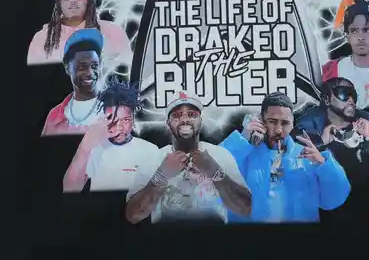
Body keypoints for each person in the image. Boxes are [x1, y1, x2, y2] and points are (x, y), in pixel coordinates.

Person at [220, 92, 351, 223]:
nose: (278, 129)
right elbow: (213, 176)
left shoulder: (308, 157)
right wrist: (242, 139)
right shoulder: (244, 155)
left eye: (285, 123)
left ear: (292, 123)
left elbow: (335, 198)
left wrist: (323, 164)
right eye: (272, 122)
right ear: (260, 121)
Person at [125, 91, 251, 223]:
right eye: (177, 115)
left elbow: (245, 208)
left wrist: (216, 173)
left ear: (201, 121)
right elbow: (133, 216)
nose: (185, 120)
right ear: (168, 124)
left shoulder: (220, 155)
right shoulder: (153, 158)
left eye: (192, 114)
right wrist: (161, 176)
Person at [295, 77, 369, 183]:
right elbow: (295, 164)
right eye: (343, 93)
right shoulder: (309, 123)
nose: (351, 100)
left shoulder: (367, 121)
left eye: (353, 95)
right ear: (327, 99)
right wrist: (320, 143)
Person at [62, 81, 162, 192]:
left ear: (133, 119)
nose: (119, 127)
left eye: (125, 120)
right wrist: (85, 146)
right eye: (113, 119)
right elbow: (70, 188)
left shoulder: (150, 150)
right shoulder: (93, 149)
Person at [27, 0, 132, 71]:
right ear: (59, 0)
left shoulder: (113, 32)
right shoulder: (42, 38)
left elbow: (127, 72)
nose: (73, 0)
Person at [42, 29, 106, 135]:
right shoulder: (55, 116)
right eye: (82, 67)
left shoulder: (116, 109)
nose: (90, 72)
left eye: (94, 66)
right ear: (67, 67)